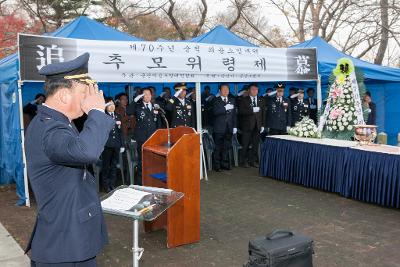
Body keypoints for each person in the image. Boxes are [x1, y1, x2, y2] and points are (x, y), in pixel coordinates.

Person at [24, 52, 115, 266]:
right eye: (84, 92)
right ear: (64, 96)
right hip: (63, 248)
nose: (89, 98)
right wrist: (96, 111)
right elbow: (86, 151)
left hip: (72, 239)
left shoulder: (61, 122)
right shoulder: (50, 129)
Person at [126, 87, 161, 185]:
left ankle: (152, 181)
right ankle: (142, 182)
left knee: (153, 160)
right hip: (142, 138)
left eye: (149, 94)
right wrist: (135, 100)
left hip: (153, 138)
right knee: (142, 161)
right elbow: (128, 111)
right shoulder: (137, 106)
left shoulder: (155, 106)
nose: (147, 96)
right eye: (144, 94)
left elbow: (158, 122)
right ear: (141, 96)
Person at [238, 83, 265, 168]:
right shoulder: (244, 100)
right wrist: (251, 110)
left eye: (256, 89)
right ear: (249, 90)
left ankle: (253, 161)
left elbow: (263, 113)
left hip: (257, 126)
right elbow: (241, 112)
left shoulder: (261, 100)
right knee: (245, 144)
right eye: (253, 89)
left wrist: (263, 125)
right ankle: (243, 161)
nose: (254, 91)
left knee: (255, 145)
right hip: (247, 126)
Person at [211, 83, 237, 171]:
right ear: (219, 91)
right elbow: (215, 112)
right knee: (218, 147)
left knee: (226, 146)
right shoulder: (215, 100)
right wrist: (225, 108)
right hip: (219, 128)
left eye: (227, 89)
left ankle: (224, 164)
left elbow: (234, 115)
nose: (226, 91)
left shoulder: (232, 100)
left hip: (229, 127)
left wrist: (235, 126)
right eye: (224, 89)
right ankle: (217, 165)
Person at [101, 97, 124, 192]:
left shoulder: (118, 116)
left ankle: (112, 184)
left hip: (116, 144)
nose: (112, 106)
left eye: (113, 104)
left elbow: (120, 132)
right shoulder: (103, 116)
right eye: (109, 105)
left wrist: (122, 144)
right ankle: (106, 185)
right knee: (106, 166)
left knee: (114, 165)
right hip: (107, 144)